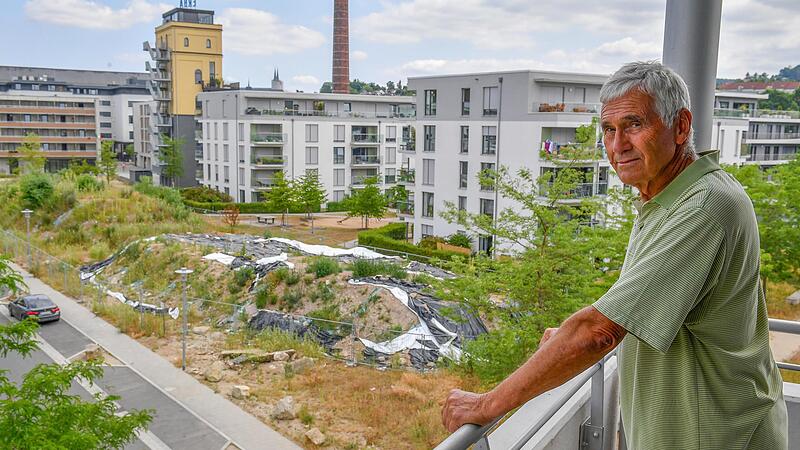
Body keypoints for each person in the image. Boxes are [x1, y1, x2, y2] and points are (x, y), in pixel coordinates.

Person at [441, 61, 788, 449]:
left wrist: (487, 404)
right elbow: (638, 308)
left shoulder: (703, 207)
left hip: (719, 434)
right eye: (609, 129)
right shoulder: (667, 198)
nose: (617, 144)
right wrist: (565, 342)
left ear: (681, 126)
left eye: (634, 125)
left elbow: (599, 332)